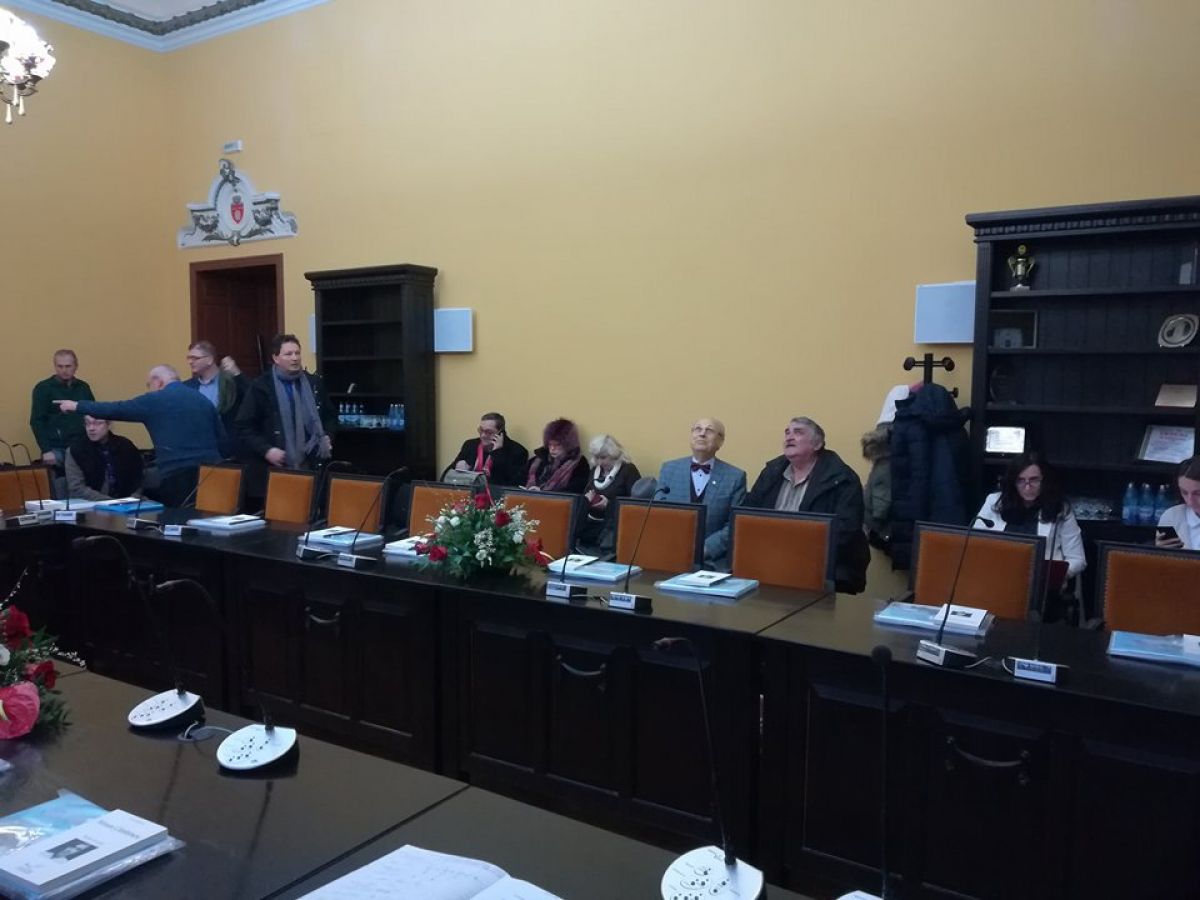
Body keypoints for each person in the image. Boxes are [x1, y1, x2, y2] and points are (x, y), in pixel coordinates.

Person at [54, 365, 224, 507]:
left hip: (178, 474)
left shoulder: (156, 400)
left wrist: (77, 406)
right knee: (208, 521)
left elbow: (117, 409)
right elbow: (222, 438)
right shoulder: (202, 399)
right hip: (213, 472)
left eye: (149, 385)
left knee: (179, 524)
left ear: (158, 382)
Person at [746, 417, 870, 593]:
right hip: (771, 562)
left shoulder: (842, 478)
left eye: (798, 432)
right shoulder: (771, 472)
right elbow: (748, 514)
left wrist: (795, 555)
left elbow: (845, 531)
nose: (789, 437)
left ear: (817, 444)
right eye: (787, 433)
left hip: (824, 567)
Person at [973, 452, 1086, 619]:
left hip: (1041, 589)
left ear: (1044, 480)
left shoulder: (1060, 509)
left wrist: (1060, 576)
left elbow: (1078, 559)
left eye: (1034, 480)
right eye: (1021, 481)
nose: (1027, 487)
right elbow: (975, 546)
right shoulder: (994, 502)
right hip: (996, 582)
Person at [235, 333, 337, 504]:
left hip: (311, 465)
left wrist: (327, 436)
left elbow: (331, 417)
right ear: (276, 358)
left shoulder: (314, 384)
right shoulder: (261, 387)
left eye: (297, 353)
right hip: (274, 469)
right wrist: (267, 450)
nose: (294, 358)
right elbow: (244, 427)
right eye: (288, 354)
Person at [657, 417, 747, 571]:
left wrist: (705, 549)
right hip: (669, 554)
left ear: (720, 441)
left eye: (709, 430)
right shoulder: (669, 469)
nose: (702, 434)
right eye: (697, 429)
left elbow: (734, 524)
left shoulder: (735, 477)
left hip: (712, 562)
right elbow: (658, 513)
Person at [30, 350, 95, 476]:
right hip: (55, 448)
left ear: (76, 366)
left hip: (81, 446)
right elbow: (37, 421)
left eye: (68, 366)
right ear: (55, 366)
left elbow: (92, 414)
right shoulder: (43, 388)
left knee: (83, 483)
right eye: (60, 366)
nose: (64, 370)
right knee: (58, 485)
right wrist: (46, 450)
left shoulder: (83, 387)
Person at [576, 434, 641, 554]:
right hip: (590, 526)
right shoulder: (594, 471)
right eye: (596, 457)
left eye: (603, 457)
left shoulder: (628, 470)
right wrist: (588, 499)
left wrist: (609, 505)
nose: (599, 462)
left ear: (613, 454)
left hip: (613, 529)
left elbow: (635, 505)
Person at [183, 340, 247, 454]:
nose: (190, 362)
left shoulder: (231, 383)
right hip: (199, 448)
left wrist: (237, 374)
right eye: (189, 358)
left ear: (210, 360)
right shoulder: (187, 387)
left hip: (229, 448)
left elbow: (253, 397)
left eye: (195, 358)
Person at [64, 416, 144, 502]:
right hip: (92, 503)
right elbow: (76, 488)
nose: (91, 428)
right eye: (87, 423)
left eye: (98, 423)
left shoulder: (125, 446)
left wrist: (133, 499)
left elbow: (139, 479)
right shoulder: (75, 450)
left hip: (128, 502)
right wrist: (111, 502)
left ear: (109, 424)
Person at [444, 412, 529, 487]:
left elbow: (511, 484)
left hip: (497, 498)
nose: (483, 435)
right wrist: (458, 471)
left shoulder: (517, 452)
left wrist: (497, 453)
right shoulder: (470, 445)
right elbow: (445, 477)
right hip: (470, 495)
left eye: (489, 432)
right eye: (481, 430)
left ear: (500, 433)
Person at [524, 418, 588, 493]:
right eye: (550, 444)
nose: (552, 448)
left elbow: (576, 488)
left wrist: (543, 493)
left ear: (568, 445)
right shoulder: (538, 459)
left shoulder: (579, 464)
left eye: (557, 445)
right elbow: (519, 479)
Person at [1155, 456, 1200, 551]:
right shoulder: (1172, 517)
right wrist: (1159, 552)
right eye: (1184, 492)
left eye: (1198, 493)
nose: (1190, 501)